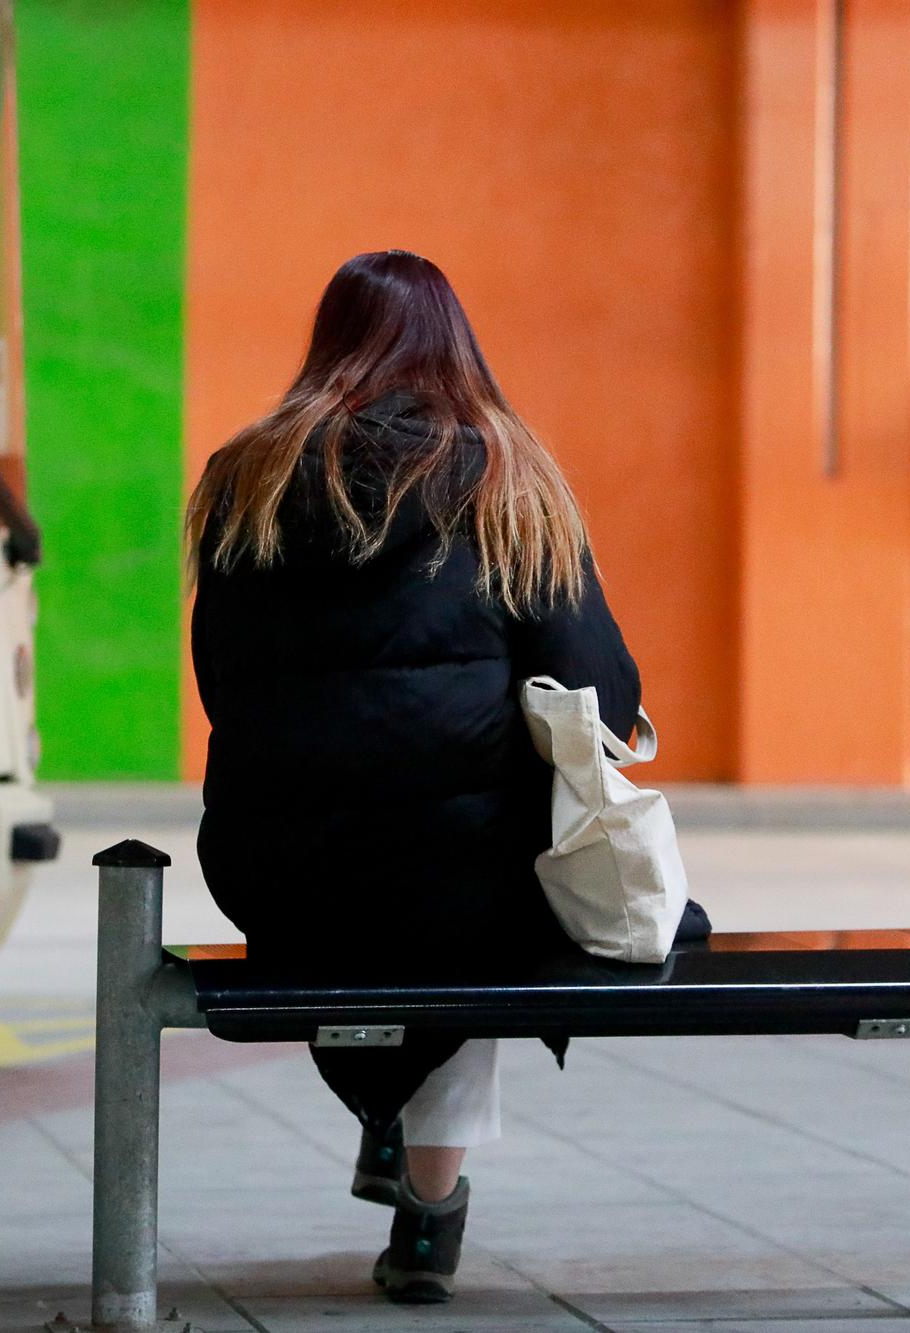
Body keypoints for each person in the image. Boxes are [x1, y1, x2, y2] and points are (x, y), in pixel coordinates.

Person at [186, 250, 708, 1305]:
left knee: (397, 878)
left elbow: (218, 678)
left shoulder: (244, 475)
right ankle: (429, 1207)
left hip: (271, 865)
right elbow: (599, 693)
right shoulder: (505, 476)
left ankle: (388, 1113)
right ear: (453, 344)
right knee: (472, 884)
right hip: (455, 876)